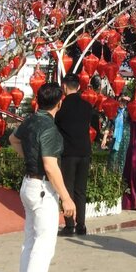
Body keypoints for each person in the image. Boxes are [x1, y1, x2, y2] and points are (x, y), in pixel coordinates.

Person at [8, 82, 75, 272]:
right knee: (42, 247)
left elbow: (12, 140)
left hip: (29, 185)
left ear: (38, 100)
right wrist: (67, 198)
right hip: (43, 190)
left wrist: (30, 157)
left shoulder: (31, 120)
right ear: (60, 102)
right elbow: (50, 165)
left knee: (30, 243)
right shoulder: (50, 129)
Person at [55, 73, 95, 236]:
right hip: (85, 152)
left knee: (68, 188)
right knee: (81, 189)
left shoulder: (61, 108)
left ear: (64, 87)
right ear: (78, 87)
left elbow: (56, 128)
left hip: (69, 153)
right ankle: (82, 225)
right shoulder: (87, 107)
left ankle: (69, 224)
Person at [106, 93, 131, 175]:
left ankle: (120, 177)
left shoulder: (129, 111)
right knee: (113, 156)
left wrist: (130, 101)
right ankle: (110, 176)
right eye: (120, 100)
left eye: (124, 101)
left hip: (125, 137)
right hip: (115, 138)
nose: (122, 103)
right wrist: (104, 138)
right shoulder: (114, 111)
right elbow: (109, 124)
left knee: (122, 157)